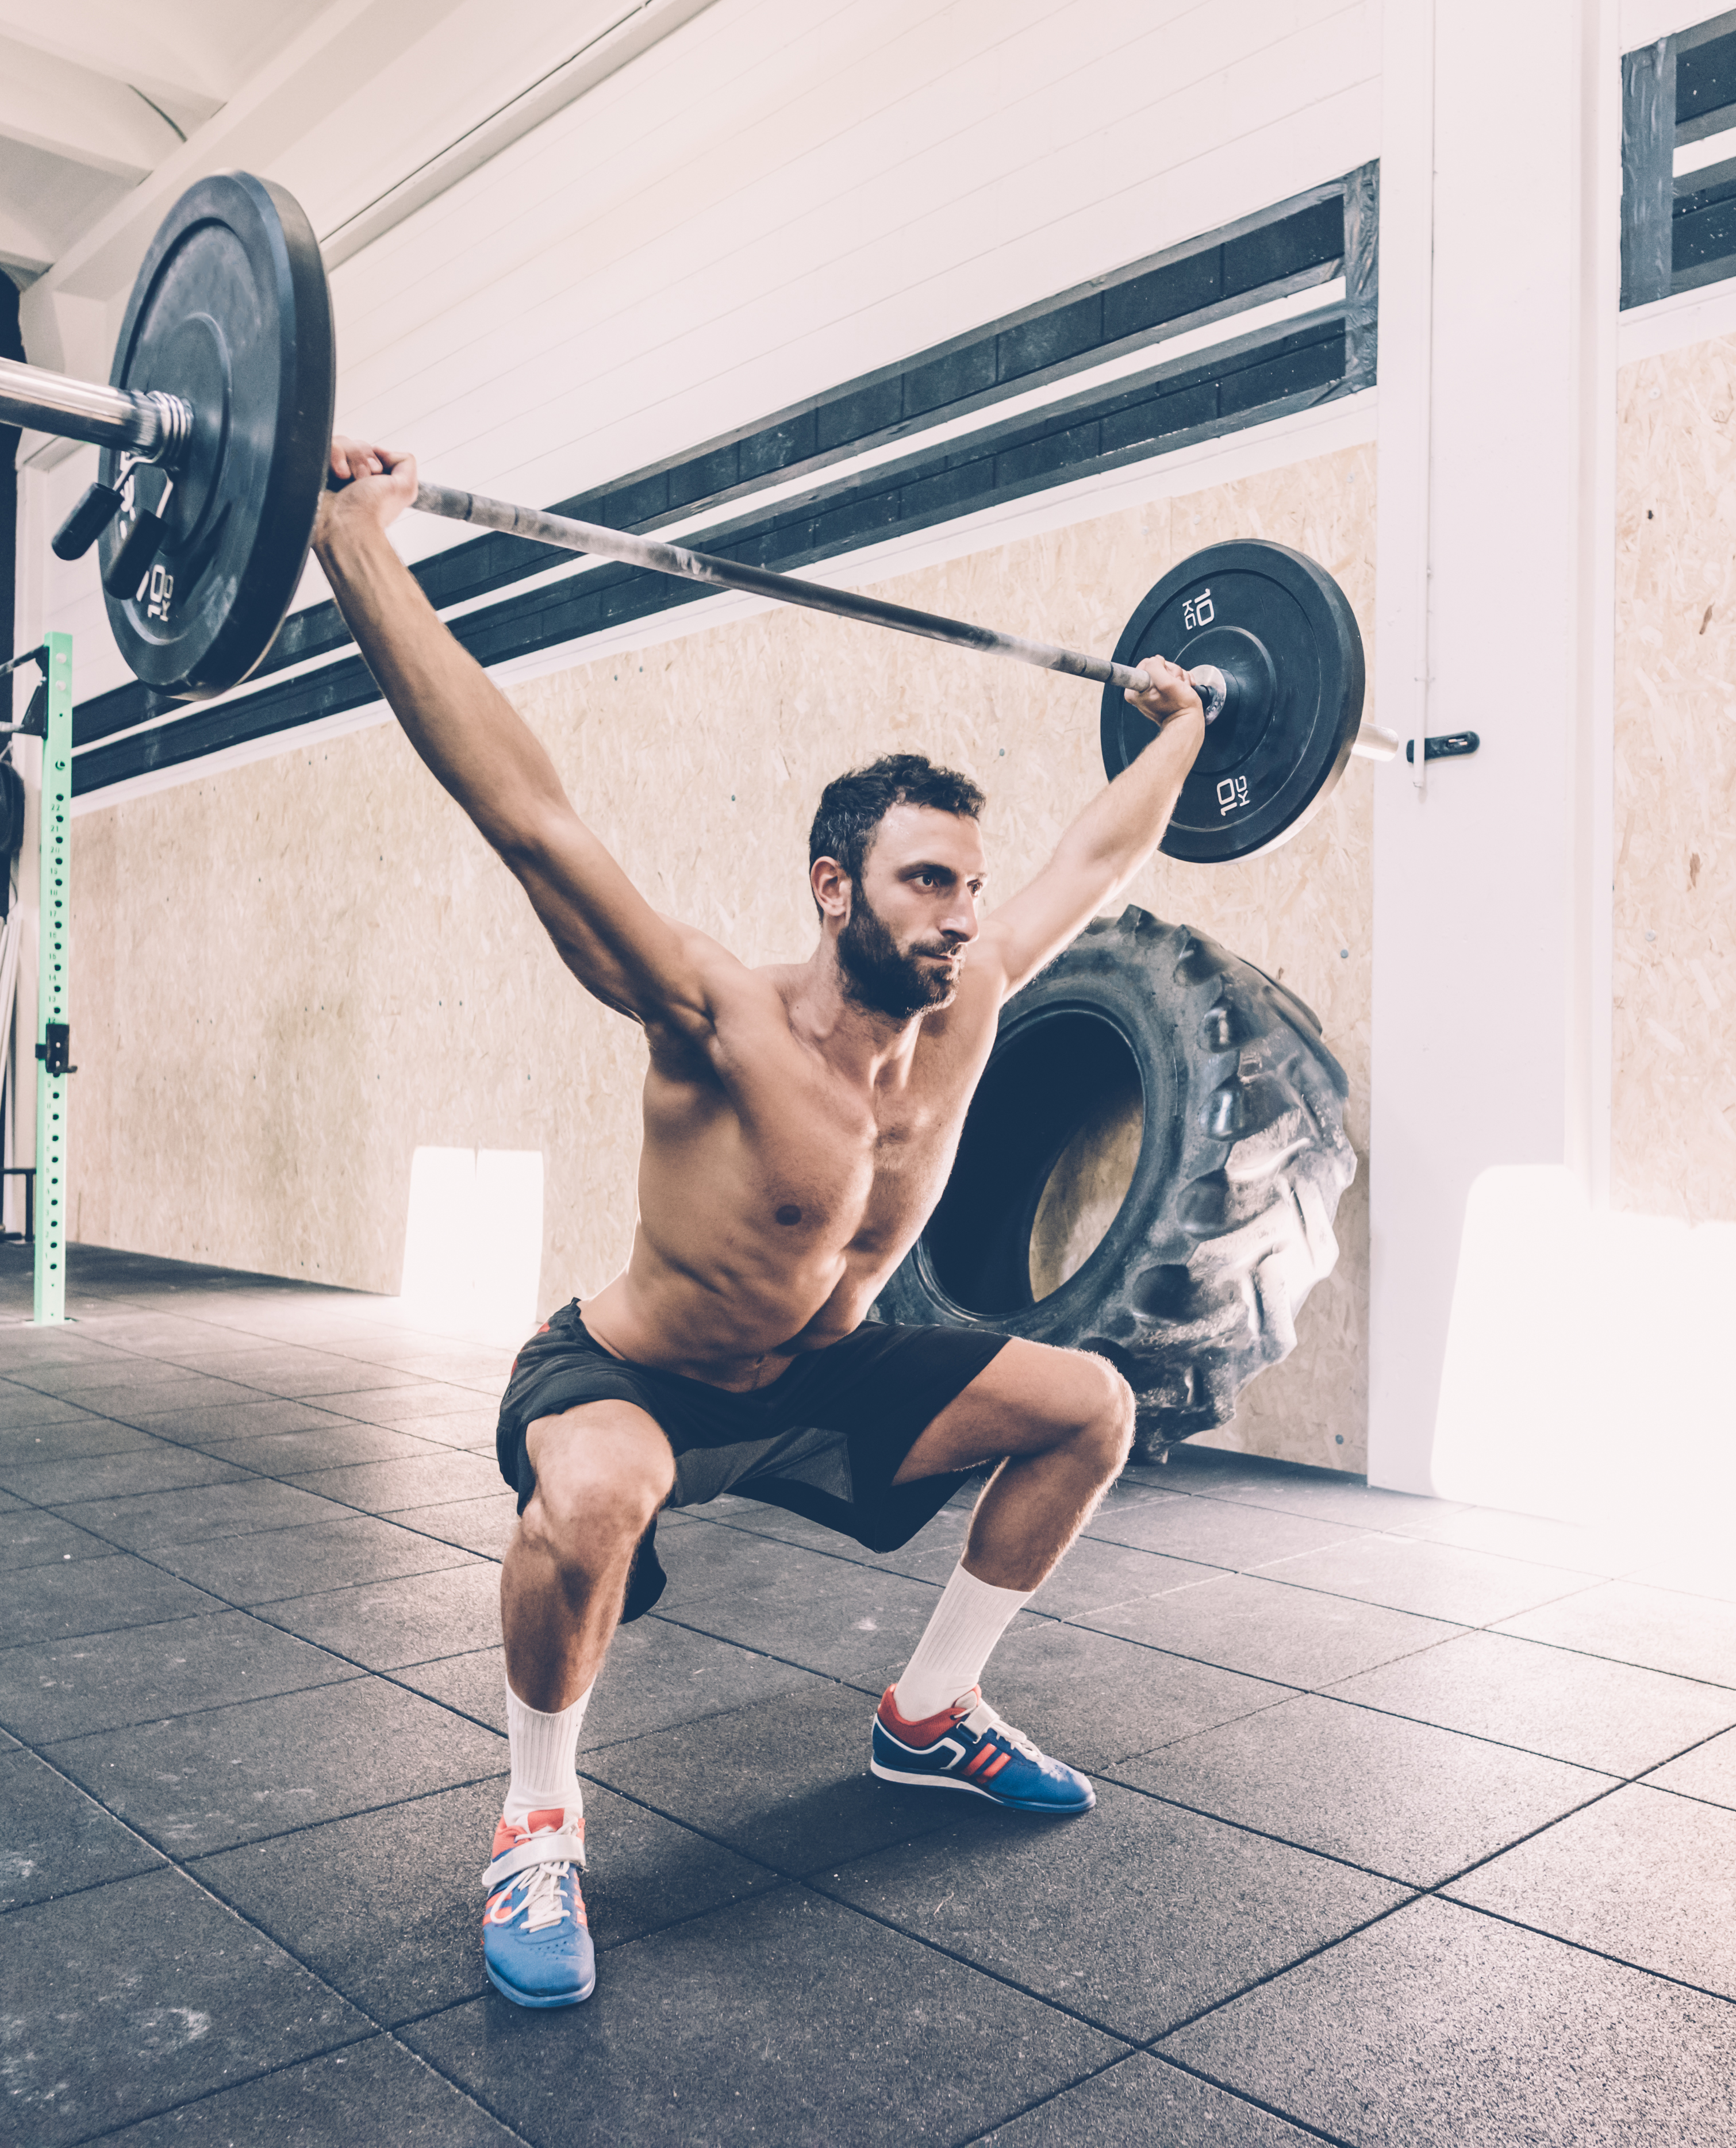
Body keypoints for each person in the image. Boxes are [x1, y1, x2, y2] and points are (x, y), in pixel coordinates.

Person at [309, 439, 1208, 2009]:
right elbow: (525, 812)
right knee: (593, 1502)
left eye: (969, 886)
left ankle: (932, 1712)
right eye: (926, 881)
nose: (960, 911)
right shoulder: (713, 1013)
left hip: (827, 1373)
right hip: (636, 1373)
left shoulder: (975, 997)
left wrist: (1194, 728)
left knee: (1091, 1407)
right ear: (833, 887)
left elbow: (1101, 852)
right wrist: (359, 548)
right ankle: (537, 1814)